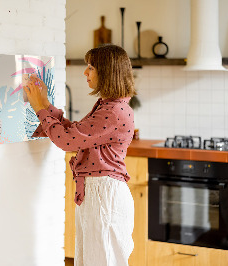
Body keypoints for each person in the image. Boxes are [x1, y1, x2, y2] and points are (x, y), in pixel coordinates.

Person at [24, 44, 136, 266]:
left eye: (91, 67)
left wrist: (39, 108)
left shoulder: (113, 111)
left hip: (104, 195)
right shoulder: (109, 106)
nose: (85, 72)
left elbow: (67, 141)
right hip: (99, 193)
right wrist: (45, 104)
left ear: (107, 72)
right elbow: (75, 133)